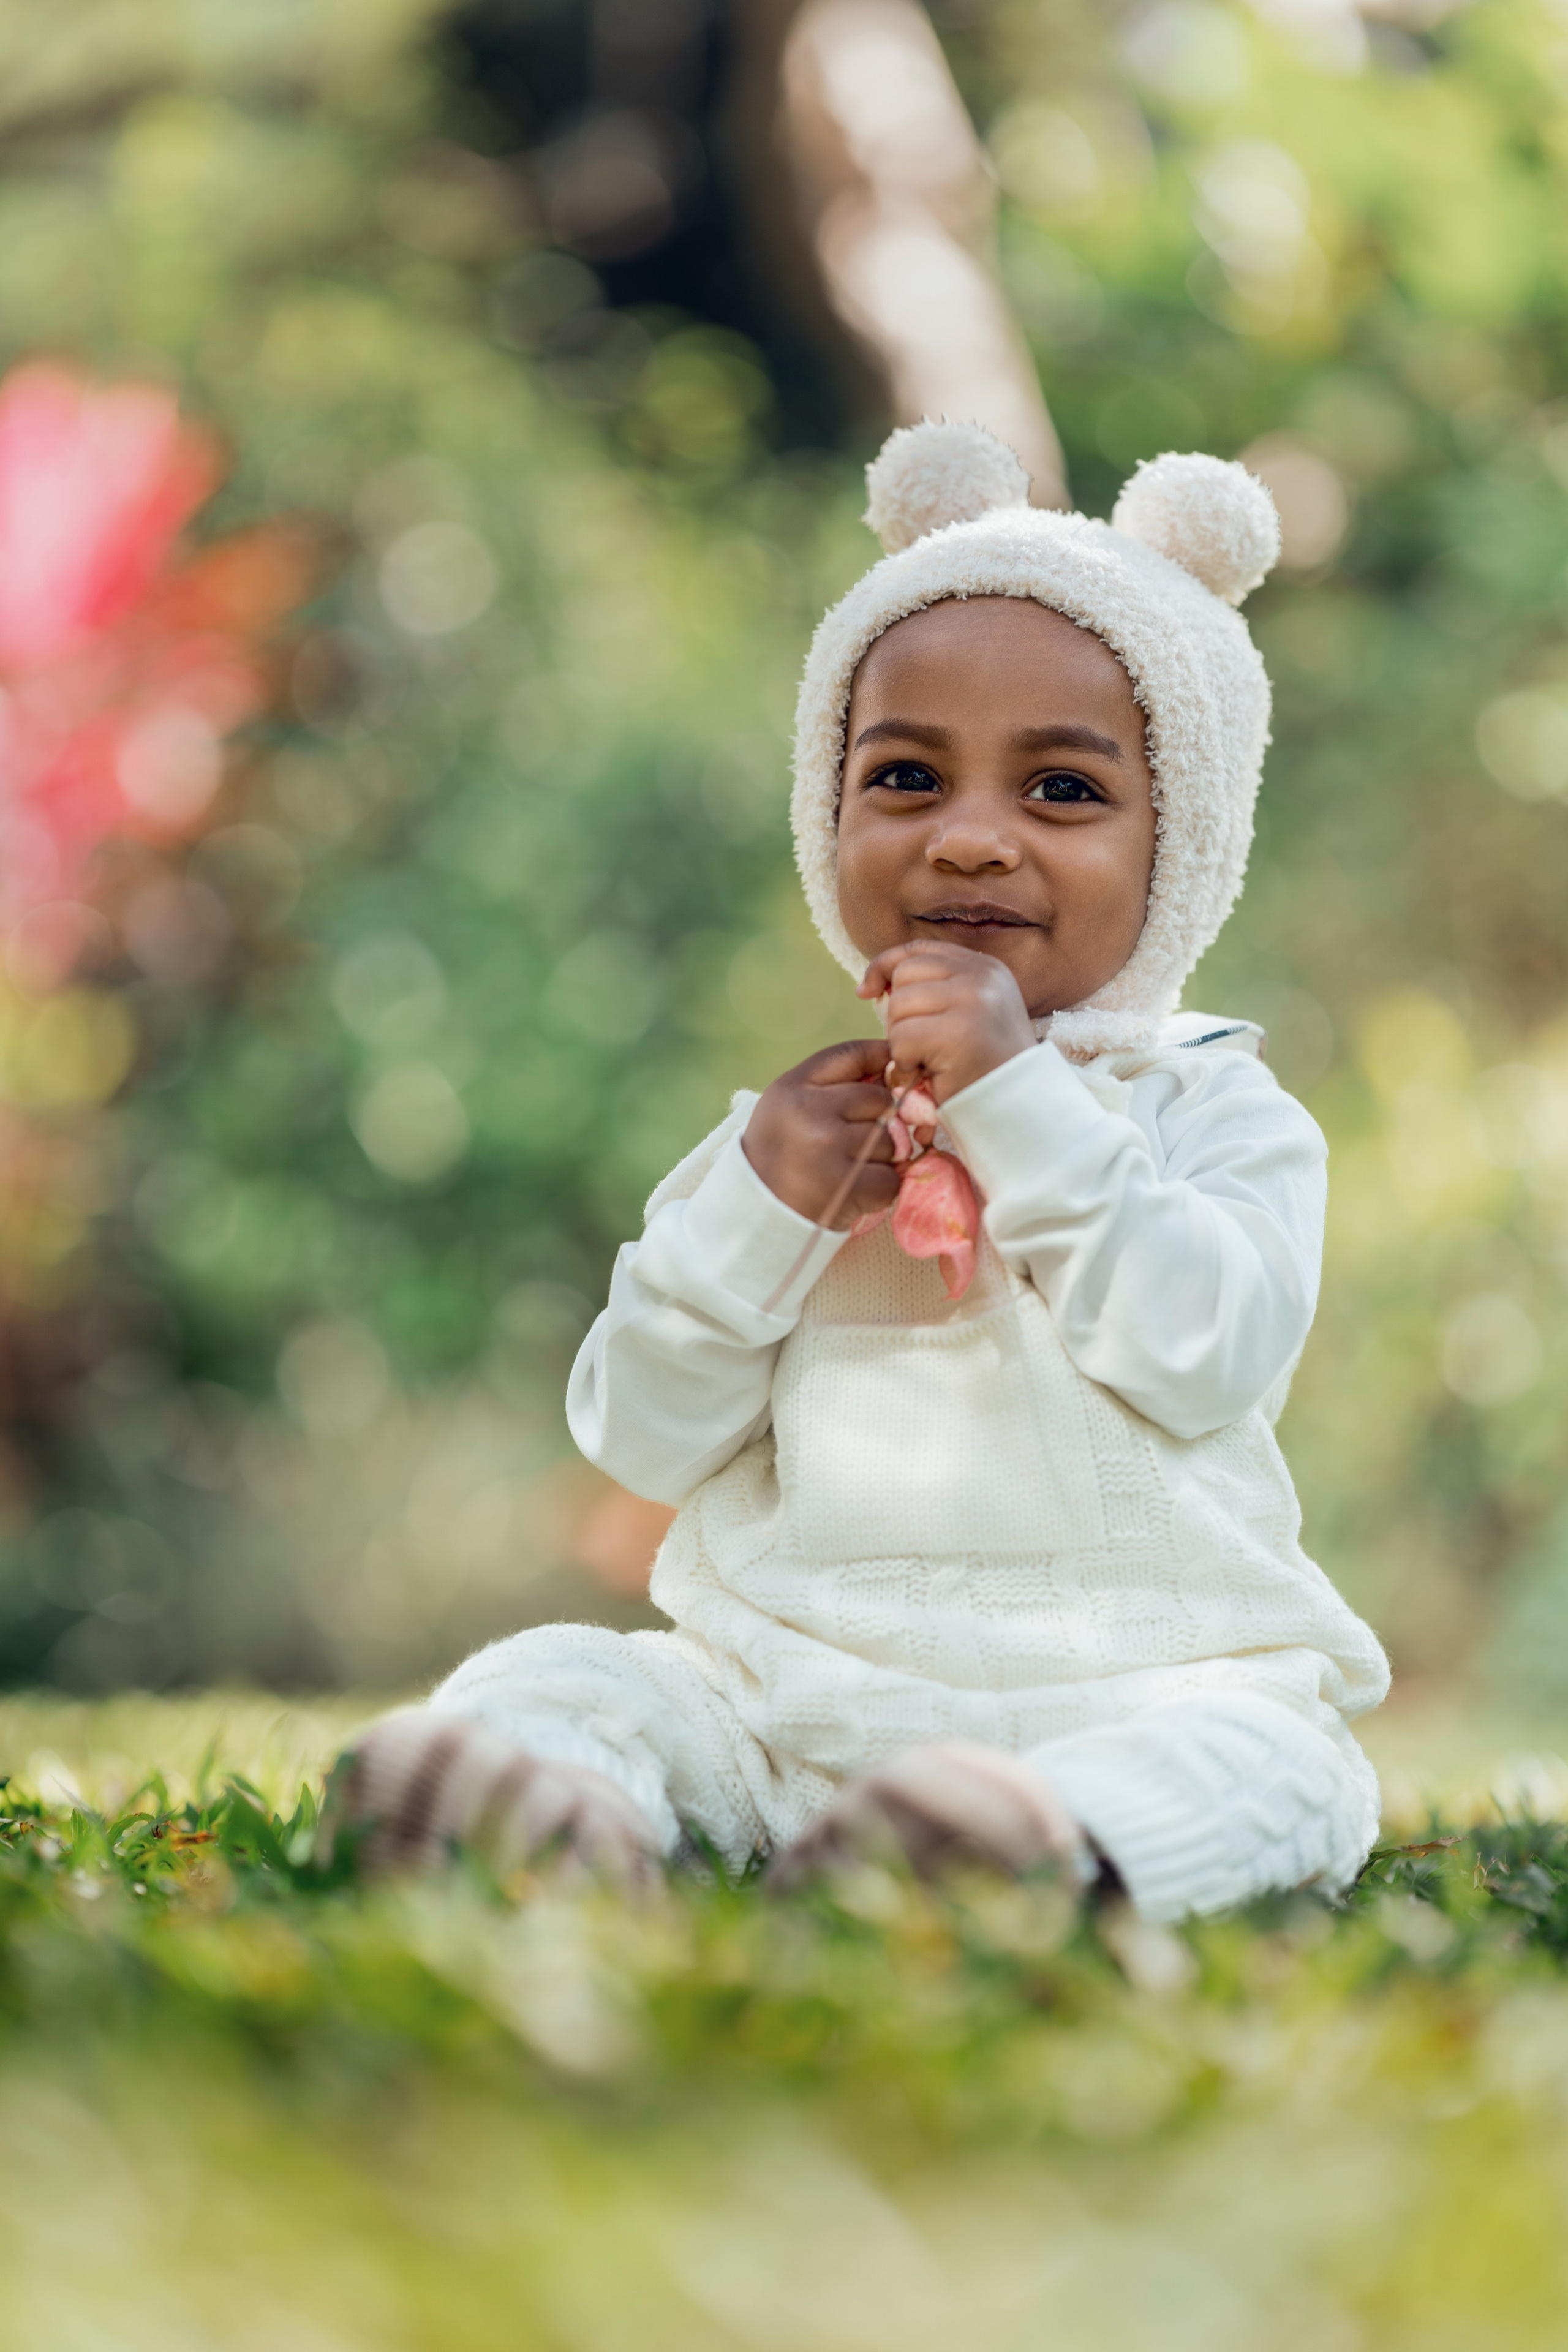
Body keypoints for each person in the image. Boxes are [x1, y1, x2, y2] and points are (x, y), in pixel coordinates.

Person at [331, 424, 1390, 1921]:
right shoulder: (794, 1138)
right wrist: (756, 1214)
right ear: (825, 815)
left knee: (1279, 1765)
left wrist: (1019, 1101)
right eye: (903, 775)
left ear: (1189, 843)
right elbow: (637, 1436)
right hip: (784, 1708)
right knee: (566, 1672)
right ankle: (537, 1808)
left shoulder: (1218, 1113)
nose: (968, 839)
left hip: (1137, 1692)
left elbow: (1200, 1353)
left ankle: (1026, 1843)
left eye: (1062, 794)